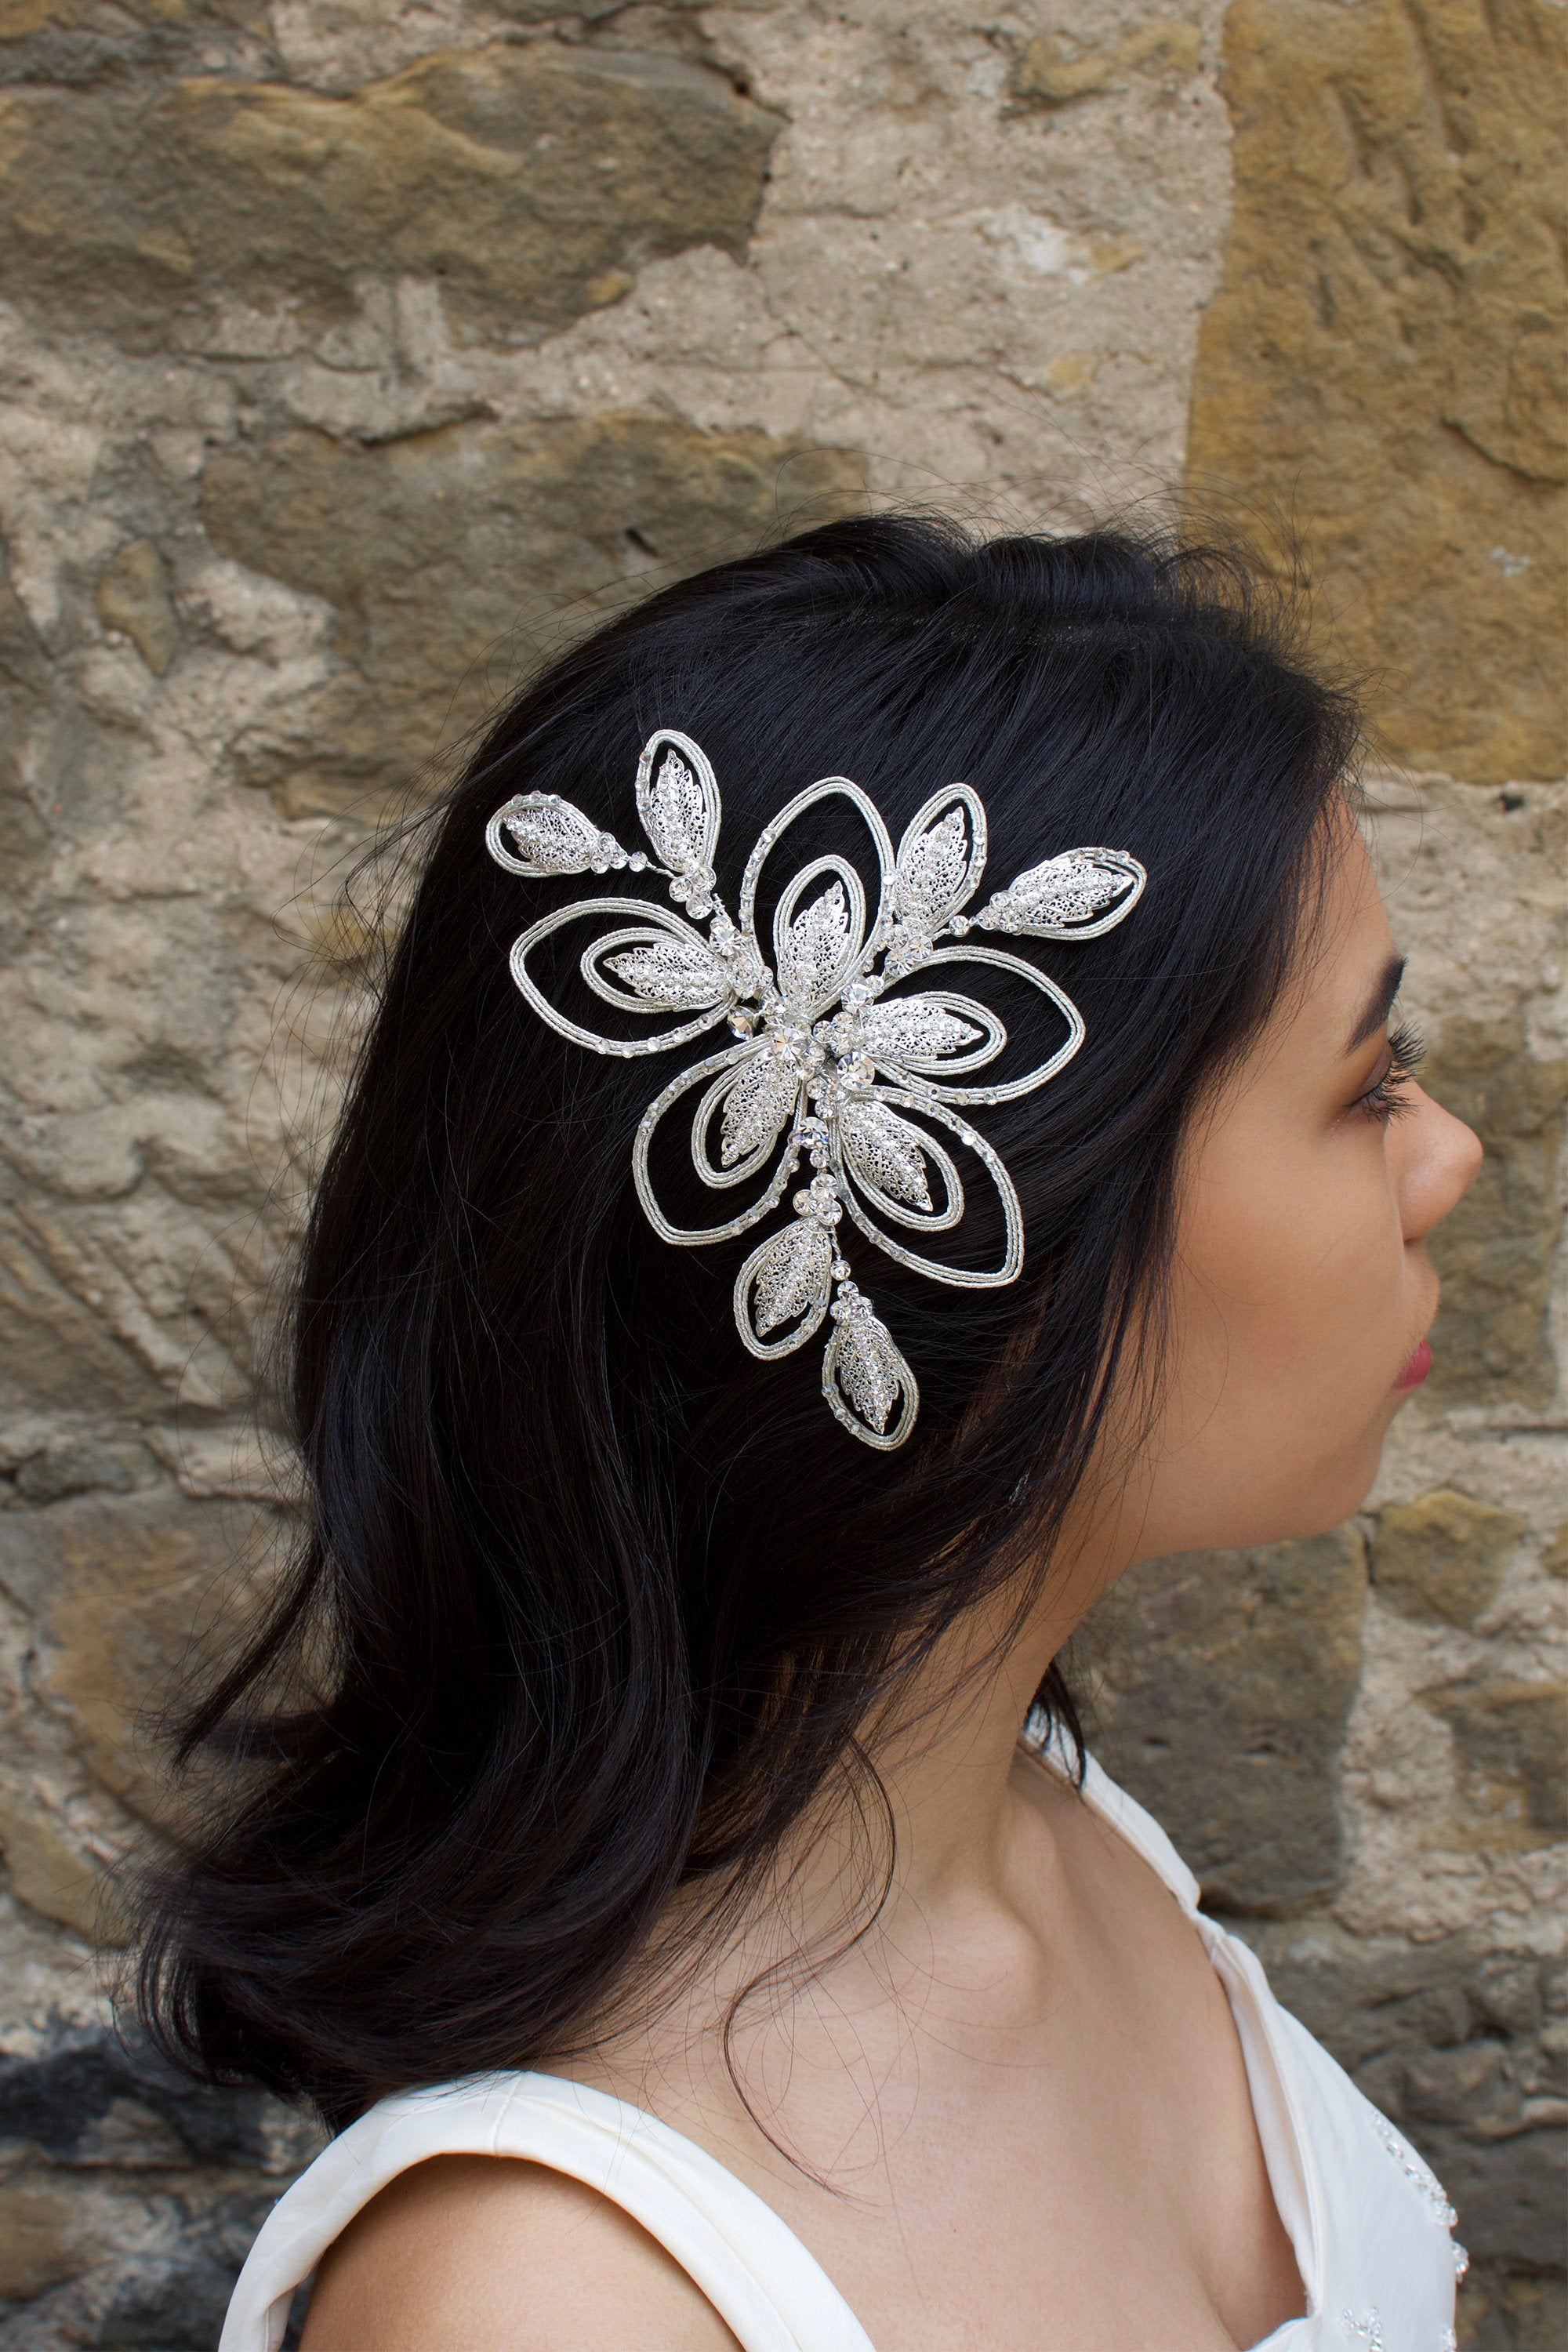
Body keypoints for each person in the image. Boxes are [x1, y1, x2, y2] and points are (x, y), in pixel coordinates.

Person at [140, 517, 1483, 2350]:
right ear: (991, 1223)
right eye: (1363, 1086)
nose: (1446, 1159)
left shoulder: (1064, 1838)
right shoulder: (554, 2309)